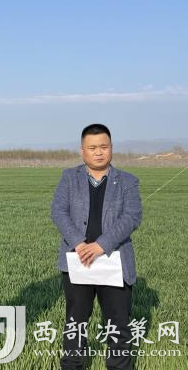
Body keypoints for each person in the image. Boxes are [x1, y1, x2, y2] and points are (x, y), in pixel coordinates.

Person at [51, 123, 142, 370]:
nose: (99, 152)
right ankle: (72, 365)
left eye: (104, 146)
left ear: (111, 148)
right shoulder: (69, 178)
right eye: (92, 148)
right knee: (76, 322)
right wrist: (79, 243)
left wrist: (101, 245)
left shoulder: (127, 181)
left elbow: (132, 217)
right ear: (83, 151)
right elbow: (58, 212)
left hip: (114, 261)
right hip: (78, 261)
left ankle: (119, 366)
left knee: (118, 323)